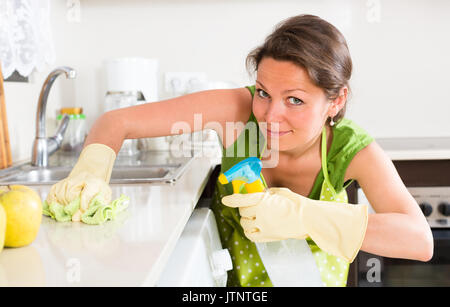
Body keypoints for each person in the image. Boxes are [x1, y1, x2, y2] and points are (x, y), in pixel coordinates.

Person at [46, 14, 433, 287]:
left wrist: (307, 215)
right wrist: (90, 170)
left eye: (295, 100)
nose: (270, 115)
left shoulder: (350, 148)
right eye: (264, 92)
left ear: (335, 101)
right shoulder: (237, 111)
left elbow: (419, 241)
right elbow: (118, 122)